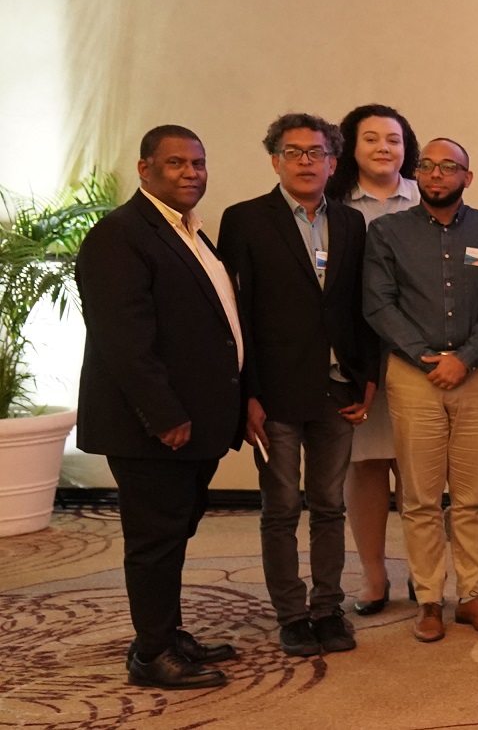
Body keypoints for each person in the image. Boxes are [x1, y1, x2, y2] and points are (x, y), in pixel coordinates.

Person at [77, 126, 246, 689]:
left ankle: (166, 633)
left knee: (173, 533)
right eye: (176, 163)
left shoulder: (190, 232)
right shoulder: (120, 234)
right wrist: (164, 415)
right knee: (153, 540)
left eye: (198, 162)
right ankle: (152, 653)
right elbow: (123, 339)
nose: (190, 173)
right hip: (153, 428)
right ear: (145, 168)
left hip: (195, 423)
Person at [219, 114, 373, 658]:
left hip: (336, 387)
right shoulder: (244, 220)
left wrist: (367, 377)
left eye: (317, 153)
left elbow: (358, 305)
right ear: (275, 161)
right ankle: (291, 614)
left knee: (330, 504)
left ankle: (327, 609)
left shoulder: (351, 222)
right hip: (274, 391)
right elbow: (235, 314)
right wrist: (247, 394)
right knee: (281, 507)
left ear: (333, 163)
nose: (306, 161)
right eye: (294, 152)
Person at [361, 137, 478, 642]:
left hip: (476, 372)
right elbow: (378, 303)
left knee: (472, 496)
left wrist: (464, 359)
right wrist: (424, 356)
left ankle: (472, 596)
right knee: (421, 497)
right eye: (426, 165)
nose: (435, 174)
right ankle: (429, 599)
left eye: (448, 166)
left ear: (467, 177)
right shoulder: (387, 232)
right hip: (414, 374)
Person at [327, 104, 419, 615]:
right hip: (358, 353)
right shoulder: (334, 204)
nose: (384, 147)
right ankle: (374, 574)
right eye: (372, 139)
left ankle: (422, 569)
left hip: (417, 351)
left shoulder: (426, 196)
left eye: (394, 139)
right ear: (350, 147)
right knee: (364, 465)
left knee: (417, 467)